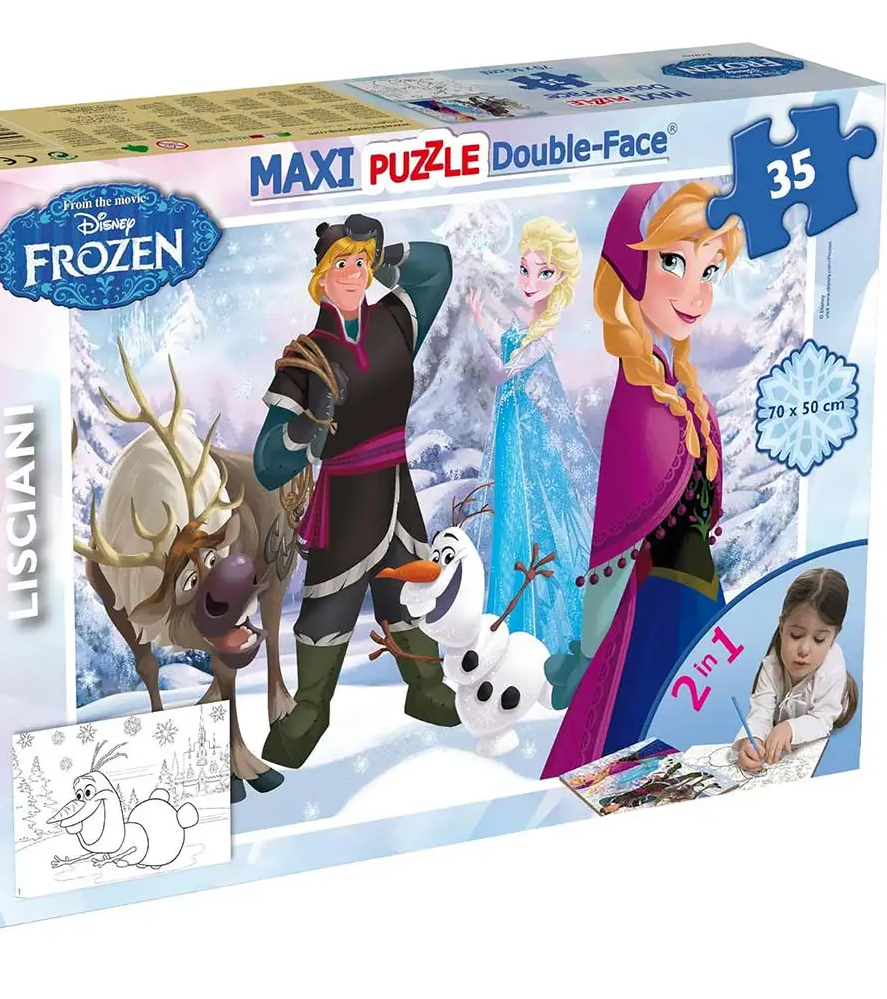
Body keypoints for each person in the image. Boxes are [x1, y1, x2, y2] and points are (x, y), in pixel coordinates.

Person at [542, 180, 743, 778]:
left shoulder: (678, 387)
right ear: (632, 270)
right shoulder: (641, 400)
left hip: (696, 602)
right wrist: (591, 640)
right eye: (674, 262)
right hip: (657, 610)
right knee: (647, 748)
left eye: (710, 270)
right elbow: (620, 533)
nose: (695, 291)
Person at [254, 214, 460, 770]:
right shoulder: (304, 359)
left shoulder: (395, 321)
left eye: (361, 262)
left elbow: (438, 266)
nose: (353, 273)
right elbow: (268, 463)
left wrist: (385, 252)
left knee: (409, 591)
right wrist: (306, 427)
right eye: (340, 263)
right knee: (329, 608)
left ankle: (427, 689)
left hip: (396, 487)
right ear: (320, 277)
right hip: (345, 500)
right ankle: (310, 712)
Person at [467, 216, 594, 657]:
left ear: (559, 279)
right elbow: (507, 347)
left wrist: (483, 342)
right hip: (512, 437)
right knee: (511, 515)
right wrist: (482, 323)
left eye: (543, 273)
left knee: (534, 518)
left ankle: (544, 627)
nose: (530, 281)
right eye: (525, 269)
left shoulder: (544, 335)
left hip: (531, 443)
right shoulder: (526, 325)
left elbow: (507, 370)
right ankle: (512, 620)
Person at [735, 567, 858, 771]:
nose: (804, 649)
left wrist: (790, 728)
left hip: (833, 709)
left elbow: (822, 719)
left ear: (834, 636)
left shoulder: (832, 670)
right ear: (782, 626)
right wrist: (751, 741)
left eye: (819, 639)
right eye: (796, 635)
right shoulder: (771, 666)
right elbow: (761, 712)